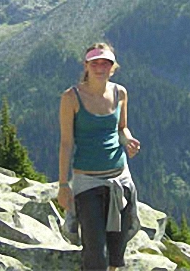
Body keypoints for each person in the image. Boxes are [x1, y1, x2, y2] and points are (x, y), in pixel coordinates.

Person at [58, 42, 141, 271]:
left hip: (120, 178)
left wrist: (128, 140)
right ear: (86, 65)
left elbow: (121, 128)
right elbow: (66, 143)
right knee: (95, 252)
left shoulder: (120, 93)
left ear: (113, 67)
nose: (100, 66)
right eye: (95, 62)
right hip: (88, 181)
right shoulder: (71, 98)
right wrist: (64, 185)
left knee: (116, 251)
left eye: (106, 62)